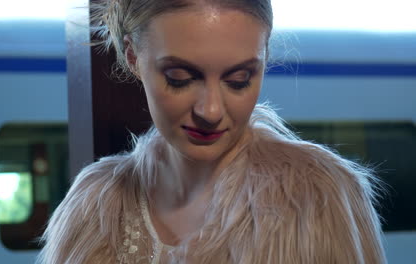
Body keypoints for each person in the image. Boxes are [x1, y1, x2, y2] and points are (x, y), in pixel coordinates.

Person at [37, 0, 387, 263]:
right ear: (132, 56)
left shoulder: (321, 199)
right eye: (180, 78)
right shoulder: (90, 211)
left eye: (239, 81)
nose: (211, 111)